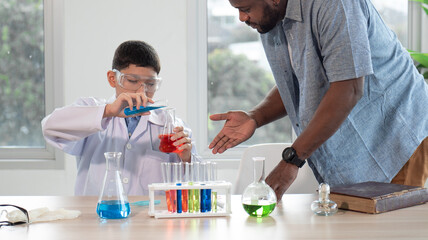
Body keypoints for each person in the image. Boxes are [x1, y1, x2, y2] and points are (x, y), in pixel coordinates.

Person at [209, 0, 428, 200]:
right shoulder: (270, 17)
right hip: (352, 158)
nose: (241, 18)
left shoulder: (334, 4)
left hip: (395, 137)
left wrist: (291, 160)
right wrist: (255, 117)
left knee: (390, 230)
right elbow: (303, 80)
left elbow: (349, 89)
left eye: (245, 9)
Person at [42, 40, 196, 196]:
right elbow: (49, 128)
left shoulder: (170, 124)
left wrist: (187, 159)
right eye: (132, 81)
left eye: (150, 83)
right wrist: (109, 111)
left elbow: (195, 185)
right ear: (112, 78)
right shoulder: (91, 109)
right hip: (96, 216)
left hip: (149, 217)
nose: (142, 91)